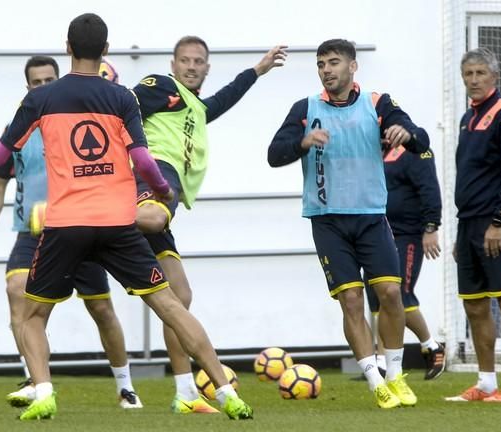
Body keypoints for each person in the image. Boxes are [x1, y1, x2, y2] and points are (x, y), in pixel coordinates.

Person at [0, 13, 253, 421]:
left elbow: (1, 152)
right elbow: (144, 160)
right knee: (169, 305)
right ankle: (224, 390)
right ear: (107, 51)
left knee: (32, 314)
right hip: (117, 222)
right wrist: (164, 191)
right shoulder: (121, 98)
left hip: (66, 224)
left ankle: (43, 391)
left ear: (67, 48)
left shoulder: (41, 99)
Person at [268, 38, 429, 409]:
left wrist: (406, 134)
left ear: (353, 66)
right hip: (327, 222)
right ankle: (375, 382)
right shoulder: (305, 108)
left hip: (371, 217)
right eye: (321, 63)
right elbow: (274, 154)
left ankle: (395, 374)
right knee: (352, 299)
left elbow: (419, 138)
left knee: (391, 295)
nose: (327, 69)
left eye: (334, 62)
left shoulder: (378, 103)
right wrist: (303, 142)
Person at [130, 36, 286, 414]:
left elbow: (224, 99)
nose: (191, 66)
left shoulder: (195, 106)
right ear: (173, 63)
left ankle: (185, 393)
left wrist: (257, 71)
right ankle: (89, 212)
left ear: (207, 67)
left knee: (179, 297)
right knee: (153, 216)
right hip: (152, 177)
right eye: (185, 60)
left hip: (167, 187)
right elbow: (124, 104)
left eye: (198, 61)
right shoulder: (161, 86)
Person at [0, 55, 141, 409]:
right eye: (36, 83)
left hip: (76, 227)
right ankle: (37, 381)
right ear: (28, 88)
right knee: (16, 290)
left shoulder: (73, 121)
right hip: (32, 233)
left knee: (101, 308)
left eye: (49, 80)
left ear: (60, 79)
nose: (43, 87)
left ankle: (126, 387)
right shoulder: (19, 127)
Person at [445, 47, 501, 403]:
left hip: (498, 223)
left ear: (494, 77)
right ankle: (485, 384)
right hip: (468, 225)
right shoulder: (468, 119)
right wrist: (459, 229)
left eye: (481, 73)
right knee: (475, 305)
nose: (474, 80)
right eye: (468, 74)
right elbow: (468, 177)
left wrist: (498, 222)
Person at [365, 145, 445, 380]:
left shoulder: (415, 151)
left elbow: (429, 189)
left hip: (407, 235)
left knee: (398, 294)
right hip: (379, 234)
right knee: (378, 297)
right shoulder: (374, 151)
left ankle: (426, 348)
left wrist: (431, 227)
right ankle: (388, 358)